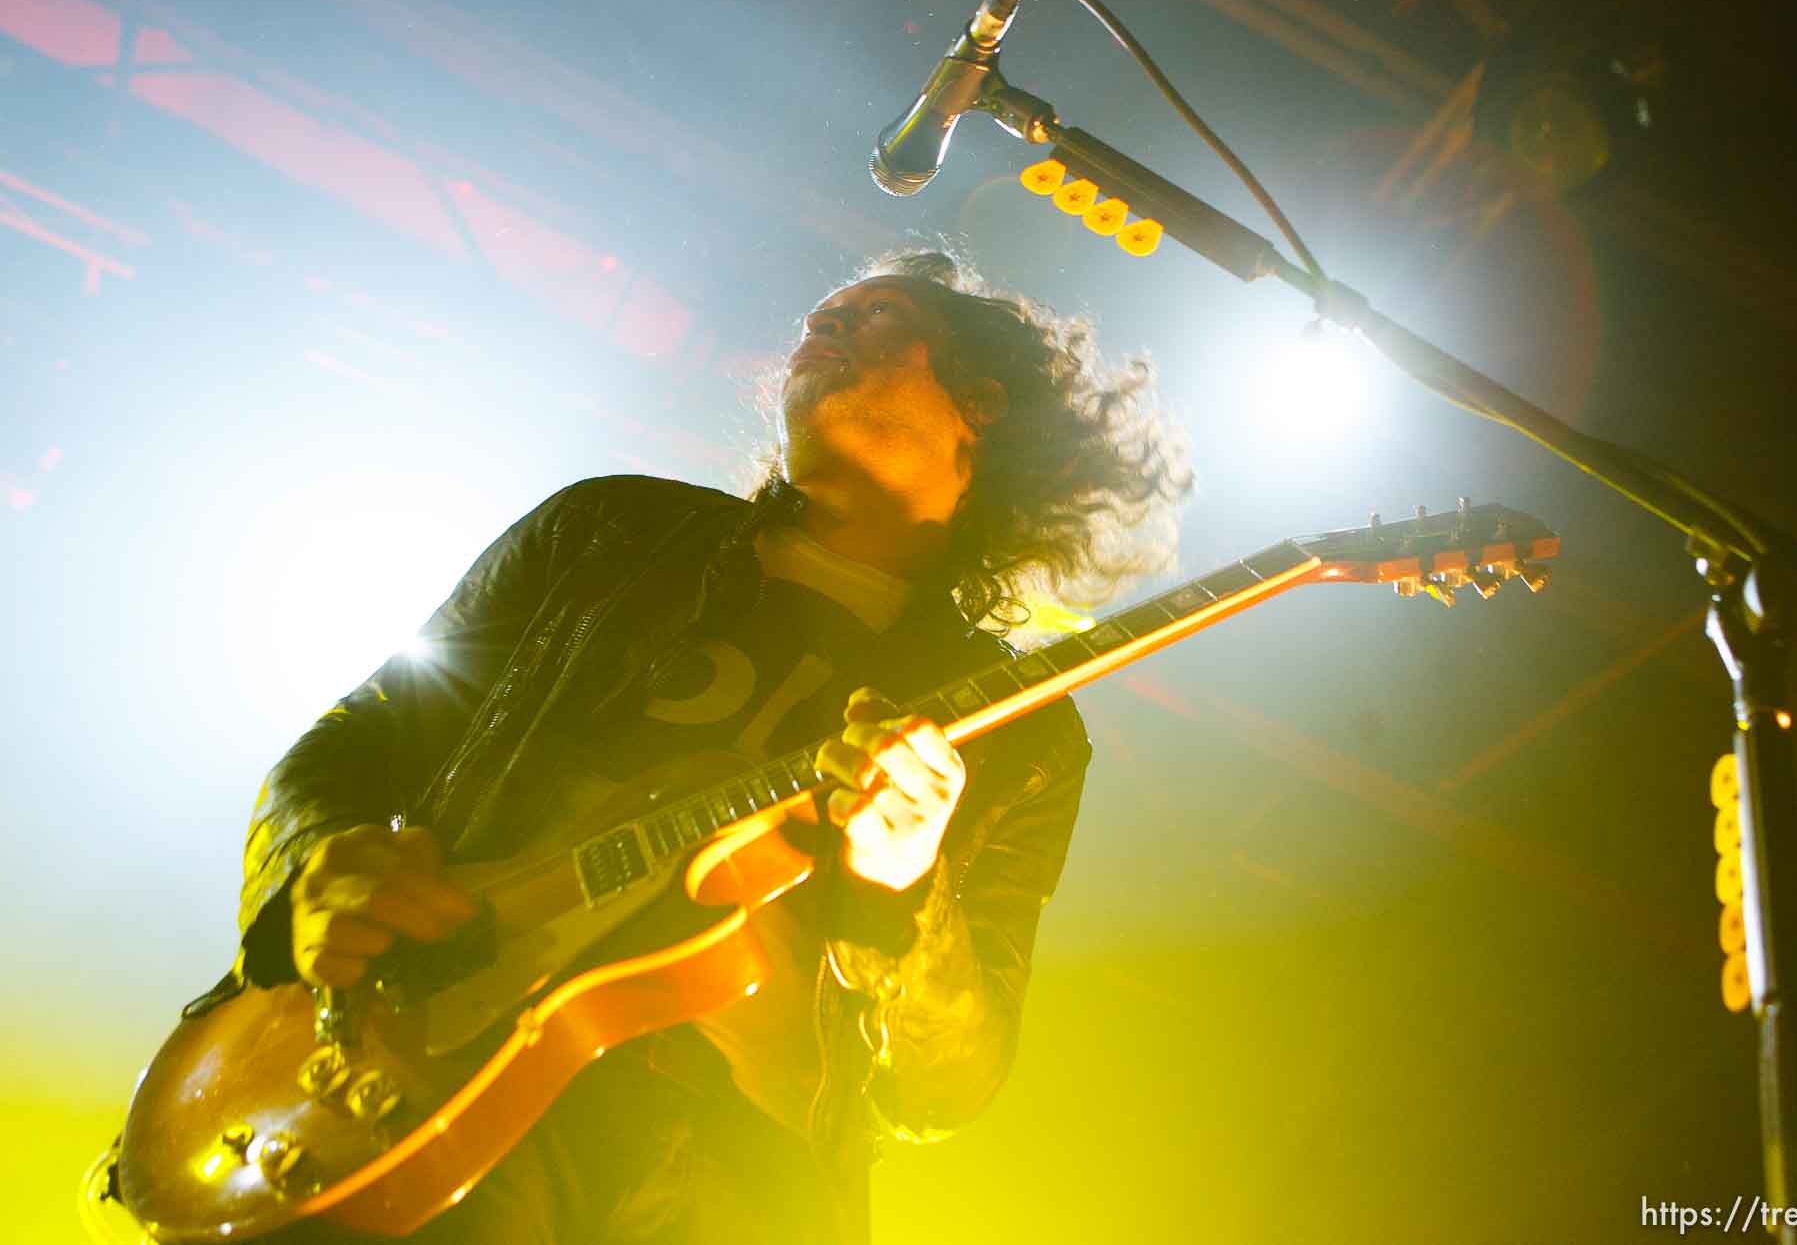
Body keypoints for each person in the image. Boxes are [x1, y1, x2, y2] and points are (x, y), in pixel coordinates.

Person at [203, 248, 1187, 1243]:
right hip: (429, 1068)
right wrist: (312, 862)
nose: (826, 320)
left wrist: (907, 880)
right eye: (825, 309)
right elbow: (353, 743)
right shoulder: (611, 530)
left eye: (877, 315)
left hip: (727, 1168)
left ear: (982, 404)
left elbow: (949, 1084)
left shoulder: (1025, 733)